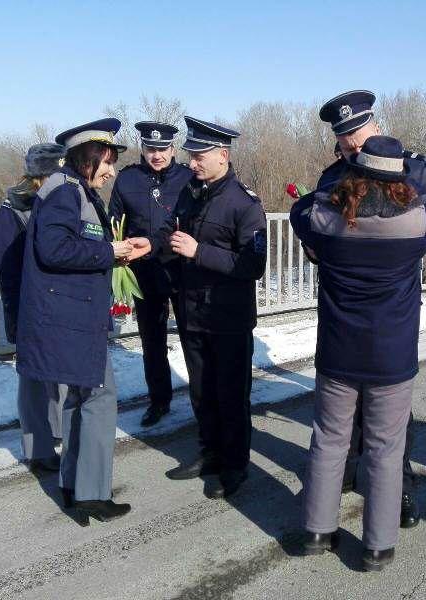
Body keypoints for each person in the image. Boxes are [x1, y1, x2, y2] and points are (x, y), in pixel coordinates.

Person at [292, 135, 426, 572]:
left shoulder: (324, 220)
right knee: (386, 448)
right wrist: (413, 178)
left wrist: (339, 189)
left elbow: (300, 209)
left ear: (355, 172)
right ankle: (377, 546)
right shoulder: (416, 225)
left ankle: (317, 531)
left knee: (329, 439)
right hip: (392, 356)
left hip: (337, 351)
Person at [16, 118, 146, 524]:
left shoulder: (76, 190)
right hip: (69, 320)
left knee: (80, 398)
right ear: (87, 158)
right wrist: (110, 252)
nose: (111, 172)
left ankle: (74, 484)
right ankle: (92, 493)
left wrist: (116, 252)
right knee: (100, 397)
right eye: (107, 162)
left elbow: (75, 245)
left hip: (73, 317)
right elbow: (54, 249)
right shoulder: (64, 192)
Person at [148, 116, 267, 499]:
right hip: (193, 312)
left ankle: (235, 465)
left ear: (223, 156)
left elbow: (253, 265)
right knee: (201, 391)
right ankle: (210, 452)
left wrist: (199, 251)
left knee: (231, 394)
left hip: (228, 317)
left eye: (200, 156)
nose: (193, 162)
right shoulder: (191, 193)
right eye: (191, 155)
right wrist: (151, 244)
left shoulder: (245, 204)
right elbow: (171, 230)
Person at [109, 121, 192, 427]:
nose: (157, 155)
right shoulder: (127, 179)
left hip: (181, 270)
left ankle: (202, 399)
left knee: (192, 339)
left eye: (163, 148)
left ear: (173, 148)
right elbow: (113, 221)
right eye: (150, 148)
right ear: (142, 148)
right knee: (152, 342)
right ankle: (159, 401)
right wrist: (118, 250)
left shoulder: (187, 177)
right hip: (144, 271)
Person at [0, 143, 67, 471]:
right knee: (34, 380)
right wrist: (15, 318)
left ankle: (57, 431)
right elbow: (7, 273)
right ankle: (38, 449)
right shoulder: (12, 212)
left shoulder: (59, 202)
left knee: (60, 374)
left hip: (59, 303)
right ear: (40, 176)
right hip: (31, 308)